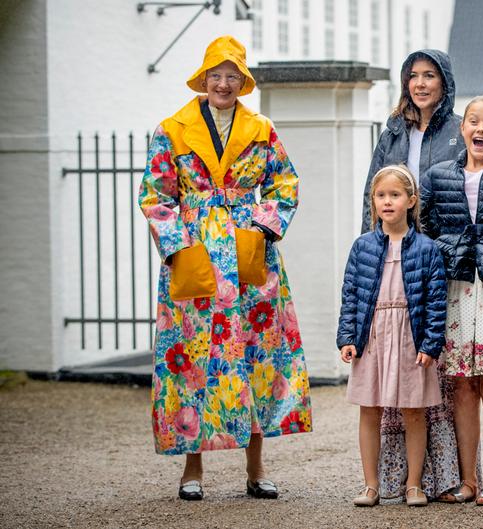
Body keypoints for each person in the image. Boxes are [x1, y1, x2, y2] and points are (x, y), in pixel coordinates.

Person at [139, 35, 311, 501]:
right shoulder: (171, 129)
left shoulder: (262, 129)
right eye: (216, 75)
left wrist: (261, 231)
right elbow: (155, 194)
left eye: (232, 76)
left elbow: (285, 184)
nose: (223, 83)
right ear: (204, 79)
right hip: (194, 251)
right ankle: (191, 471)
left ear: (242, 82)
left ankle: (256, 468)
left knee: (256, 353)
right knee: (192, 360)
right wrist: (177, 246)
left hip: (248, 252)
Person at [338, 165, 448, 507]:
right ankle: (371, 485)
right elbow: (351, 294)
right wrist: (346, 337)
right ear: (373, 201)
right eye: (381, 195)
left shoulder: (428, 249)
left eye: (395, 195)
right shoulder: (362, 247)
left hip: (409, 338)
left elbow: (436, 300)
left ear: (411, 201)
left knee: (413, 410)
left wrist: (431, 343)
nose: (388, 202)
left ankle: (414, 484)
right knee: (369, 410)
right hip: (371, 335)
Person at [420, 96, 483, 505]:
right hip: (456, 289)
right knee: (461, 388)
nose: (480, 129)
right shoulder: (439, 176)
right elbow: (424, 225)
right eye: (474, 121)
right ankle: (468, 480)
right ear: (462, 128)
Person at [360, 49, 464, 233]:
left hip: (446, 244)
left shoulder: (462, 132)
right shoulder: (392, 134)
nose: (420, 84)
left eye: (429, 76)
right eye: (413, 76)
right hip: (397, 240)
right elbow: (372, 193)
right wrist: (370, 242)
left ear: (445, 83)